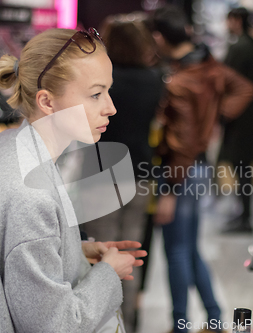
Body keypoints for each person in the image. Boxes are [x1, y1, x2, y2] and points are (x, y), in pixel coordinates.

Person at [0, 28, 147, 333]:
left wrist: (72, 251)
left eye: (107, 91)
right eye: (95, 94)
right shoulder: (31, 196)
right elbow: (56, 325)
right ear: (47, 102)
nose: (110, 107)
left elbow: (8, 256)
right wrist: (108, 272)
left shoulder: (4, 146)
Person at [149, 6, 253, 333]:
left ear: (159, 37)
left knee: (177, 252)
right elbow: (246, 89)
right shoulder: (208, 66)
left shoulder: (180, 81)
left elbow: (180, 145)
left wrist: (167, 190)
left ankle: (180, 325)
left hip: (180, 172)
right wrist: (215, 119)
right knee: (187, 248)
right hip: (197, 168)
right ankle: (213, 319)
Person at [82, 13, 164, 333]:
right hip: (141, 174)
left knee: (102, 256)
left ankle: (104, 325)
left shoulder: (102, 84)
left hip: (101, 174)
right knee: (130, 258)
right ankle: (128, 324)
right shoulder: (154, 79)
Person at [218, 7, 253, 233]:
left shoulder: (241, 47)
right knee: (244, 166)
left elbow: (230, 82)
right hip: (251, 116)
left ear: (236, 20)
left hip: (242, 118)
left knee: (242, 166)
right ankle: (244, 212)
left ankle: (245, 216)